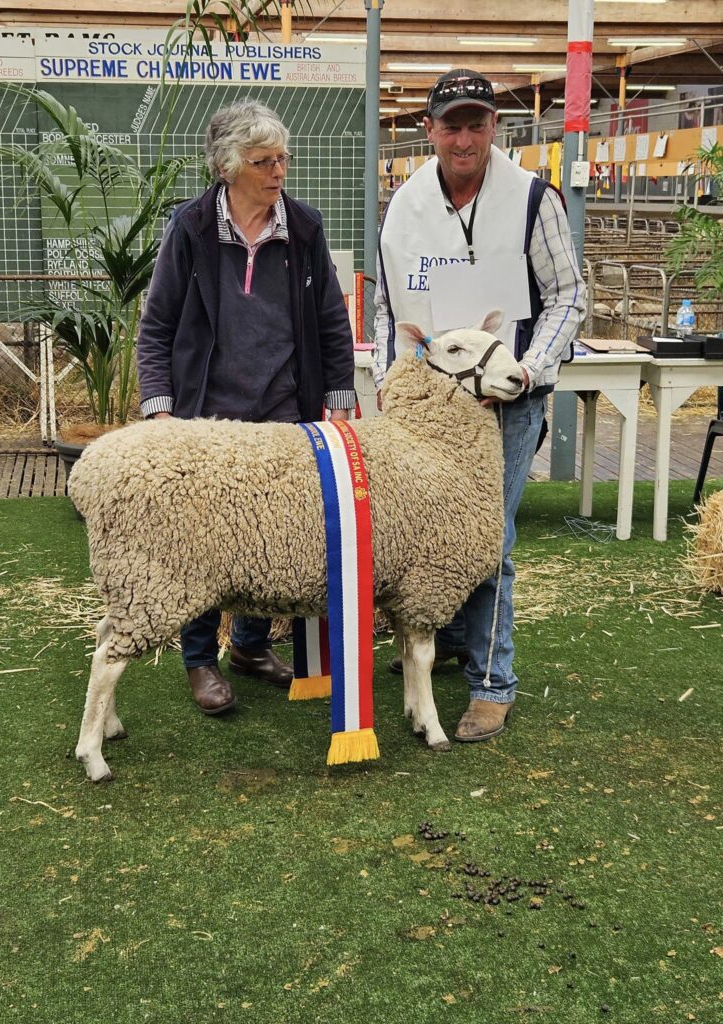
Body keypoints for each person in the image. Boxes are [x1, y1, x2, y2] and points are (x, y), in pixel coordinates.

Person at [374, 69, 586, 742]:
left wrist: (532, 366)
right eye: (450, 124)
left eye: (476, 123)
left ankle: (492, 684)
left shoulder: (532, 199)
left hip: (506, 403)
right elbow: (388, 309)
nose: (463, 138)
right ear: (429, 130)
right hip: (430, 409)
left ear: (496, 126)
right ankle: (442, 643)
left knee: (488, 542)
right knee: (426, 537)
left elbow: (568, 296)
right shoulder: (403, 206)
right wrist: (388, 381)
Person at [137, 99, 355, 716]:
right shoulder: (191, 229)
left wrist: (338, 404)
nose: (278, 171)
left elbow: (332, 326)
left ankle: (252, 647)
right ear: (228, 166)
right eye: (263, 161)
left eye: (282, 158)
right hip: (206, 417)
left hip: (285, 412)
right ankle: (200, 660)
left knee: (274, 536)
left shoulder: (305, 229)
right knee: (205, 540)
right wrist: (160, 410)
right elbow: (156, 329)